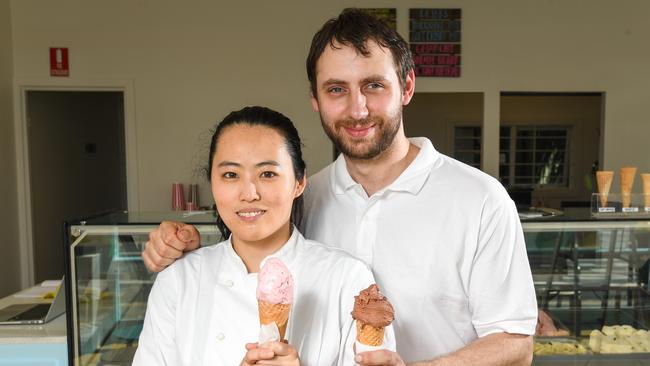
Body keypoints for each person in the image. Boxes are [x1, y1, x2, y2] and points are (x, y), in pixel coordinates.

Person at [142, 9, 537, 366]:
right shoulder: (303, 197)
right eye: (336, 90)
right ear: (315, 99)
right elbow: (244, 250)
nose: (357, 109)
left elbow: (517, 343)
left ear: (407, 87)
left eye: (374, 86)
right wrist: (177, 244)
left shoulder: (479, 199)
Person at [134, 106, 394, 365]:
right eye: (230, 175)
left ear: (299, 182)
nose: (249, 193)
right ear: (212, 183)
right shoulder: (179, 282)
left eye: (267, 174)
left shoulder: (347, 279)